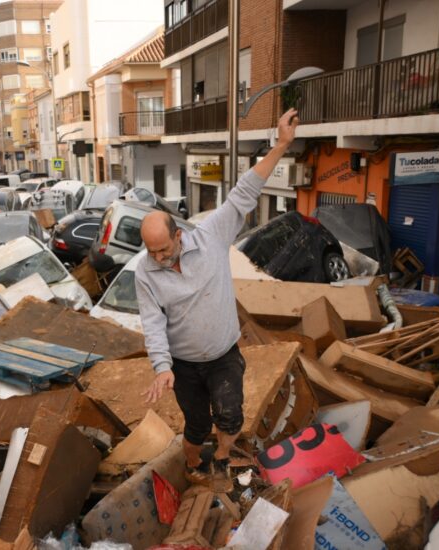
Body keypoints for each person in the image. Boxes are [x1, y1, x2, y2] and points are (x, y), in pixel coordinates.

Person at [135, 108, 299, 490]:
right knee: (194, 424)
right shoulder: (146, 271)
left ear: (177, 235)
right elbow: (153, 321)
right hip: (184, 364)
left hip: (224, 356)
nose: (157, 258)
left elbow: (244, 192)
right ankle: (193, 465)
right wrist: (162, 367)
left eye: (162, 250)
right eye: (150, 252)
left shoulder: (210, 236)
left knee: (229, 417)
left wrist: (281, 146)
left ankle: (222, 456)